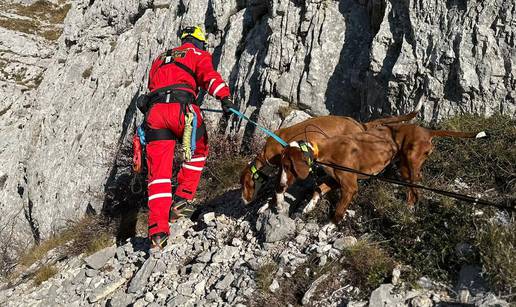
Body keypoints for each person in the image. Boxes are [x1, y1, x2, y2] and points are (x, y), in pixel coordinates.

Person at [144, 26, 238, 249]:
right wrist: (225, 98)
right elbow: (209, 77)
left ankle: (157, 233)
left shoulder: (160, 58)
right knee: (199, 148)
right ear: (198, 42)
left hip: (155, 114)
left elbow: (152, 87)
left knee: (158, 175)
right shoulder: (196, 54)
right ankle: (182, 198)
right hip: (182, 109)